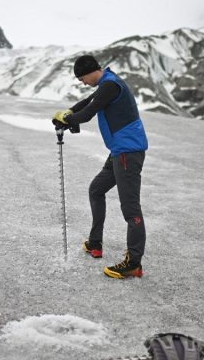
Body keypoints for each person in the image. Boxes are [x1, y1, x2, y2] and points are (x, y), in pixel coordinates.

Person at [52, 55, 148, 279]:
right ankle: (95, 243)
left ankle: (134, 263)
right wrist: (67, 113)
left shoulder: (111, 85)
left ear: (91, 71)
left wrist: (70, 120)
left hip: (128, 153)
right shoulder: (107, 83)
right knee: (96, 189)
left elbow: (87, 113)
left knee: (131, 209)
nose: (81, 82)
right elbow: (87, 102)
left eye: (81, 77)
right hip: (118, 151)